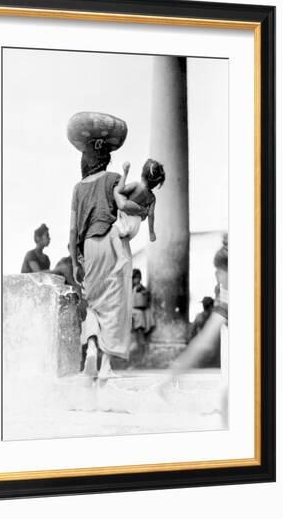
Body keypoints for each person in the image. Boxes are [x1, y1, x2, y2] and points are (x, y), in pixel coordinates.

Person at [67, 111, 148, 380]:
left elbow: (73, 229)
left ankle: (90, 348)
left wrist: (74, 260)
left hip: (88, 247)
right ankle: (106, 366)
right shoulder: (113, 179)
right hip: (111, 245)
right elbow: (131, 198)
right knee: (114, 305)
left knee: (93, 304)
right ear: (105, 159)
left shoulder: (78, 188)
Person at [159, 235, 228, 420]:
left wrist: (175, 371)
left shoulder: (226, 298)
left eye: (219, 270)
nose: (217, 276)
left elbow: (204, 342)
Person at [112, 158, 165, 246]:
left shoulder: (136, 185)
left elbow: (120, 190)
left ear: (142, 173)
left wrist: (125, 173)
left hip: (125, 219)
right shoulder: (152, 198)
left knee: (114, 235)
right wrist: (151, 233)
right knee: (124, 241)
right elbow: (151, 215)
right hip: (135, 224)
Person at [130, 269, 154, 365]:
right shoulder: (129, 287)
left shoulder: (141, 287)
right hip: (131, 311)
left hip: (139, 311)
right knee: (139, 315)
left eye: (138, 278)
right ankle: (140, 339)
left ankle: (146, 335)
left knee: (147, 314)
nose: (137, 280)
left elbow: (146, 297)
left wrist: (145, 292)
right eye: (135, 278)